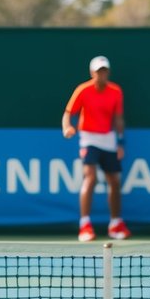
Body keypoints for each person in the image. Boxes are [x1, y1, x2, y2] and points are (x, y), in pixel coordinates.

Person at [62, 55, 130, 241]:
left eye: (105, 70)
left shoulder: (116, 91)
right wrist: (67, 127)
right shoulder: (83, 90)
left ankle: (115, 224)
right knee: (90, 178)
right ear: (92, 73)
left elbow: (118, 118)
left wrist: (121, 142)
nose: (102, 74)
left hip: (108, 139)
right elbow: (68, 113)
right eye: (99, 71)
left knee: (115, 182)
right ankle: (84, 225)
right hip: (89, 138)